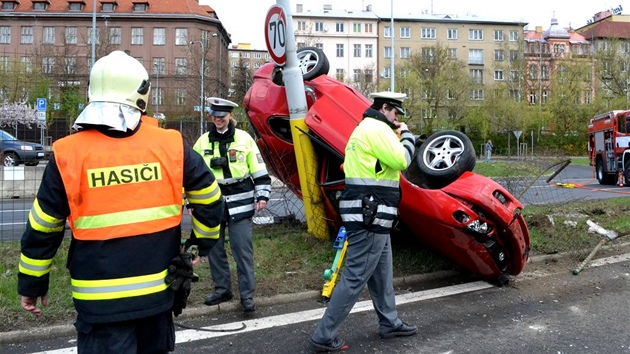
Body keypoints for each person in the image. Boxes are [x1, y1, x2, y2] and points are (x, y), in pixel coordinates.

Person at [17, 50, 225, 353]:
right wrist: (197, 247)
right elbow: (210, 200)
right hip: (157, 296)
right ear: (142, 93)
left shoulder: (67, 154)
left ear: (92, 92)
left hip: (99, 305)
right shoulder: (170, 144)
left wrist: (32, 285)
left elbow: (42, 229)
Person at [309, 91, 418, 352]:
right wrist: (408, 136)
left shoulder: (361, 129)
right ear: (384, 108)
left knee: (382, 272)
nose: (396, 119)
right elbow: (402, 160)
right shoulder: (378, 129)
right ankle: (324, 335)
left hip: (368, 213)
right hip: (372, 216)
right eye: (395, 113)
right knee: (355, 276)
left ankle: (389, 322)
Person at [193, 97, 272, 313]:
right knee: (214, 249)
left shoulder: (244, 139)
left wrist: (262, 195)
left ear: (230, 116)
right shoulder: (202, 142)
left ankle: (247, 296)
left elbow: (258, 167)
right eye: (214, 116)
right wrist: (190, 201)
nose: (218, 120)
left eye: (222, 116)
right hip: (212, 202)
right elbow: (192, 175)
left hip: (241, 200)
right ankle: (222, 289)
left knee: (242, 250)